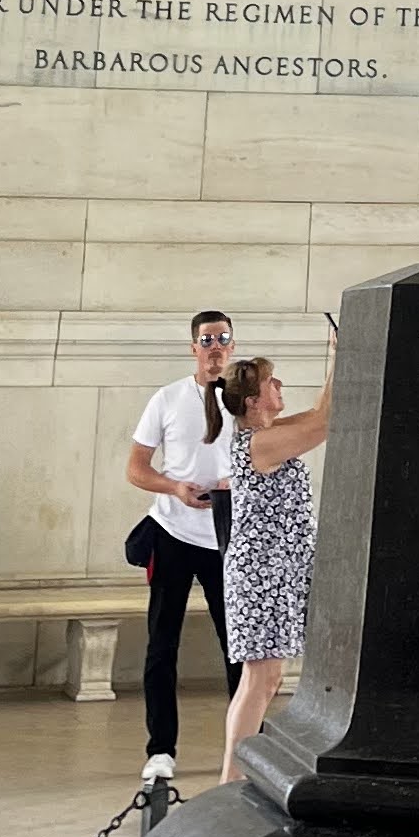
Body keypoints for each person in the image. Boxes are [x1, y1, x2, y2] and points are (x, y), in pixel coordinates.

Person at [127, 310, 239, 800]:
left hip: (226, 535)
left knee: (238, 647)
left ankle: (245, 745)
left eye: (223, 339)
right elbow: (136, 468)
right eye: (206, 339)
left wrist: (227, 486)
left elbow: (269, 460)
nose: (215, 346)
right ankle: (161, 750)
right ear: (193, 347)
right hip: (173, 533)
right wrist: (174, 487)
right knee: (161, 645)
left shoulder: (245, 402)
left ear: (232, 346)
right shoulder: (168, 398)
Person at [215, 353, 333, 789]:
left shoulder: (268, 433)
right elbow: (324, 426)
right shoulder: (257, 443)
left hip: (277, 572)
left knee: (267, 678)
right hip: (261, 572)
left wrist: (339, 356)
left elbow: (324, 413)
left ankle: (234, 776)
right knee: (259, 679)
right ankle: (231, 779)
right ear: (252, 401)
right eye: (271, 382)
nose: (279, 385)